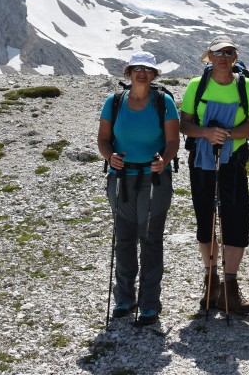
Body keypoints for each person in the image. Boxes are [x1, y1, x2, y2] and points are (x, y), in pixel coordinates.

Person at [97, 52, 180, 326]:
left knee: (151, 240)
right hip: (121, 177)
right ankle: (124, 298)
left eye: (148, 69)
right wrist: (110, 157)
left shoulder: (163, 101)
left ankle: (149, 303)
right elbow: (103, 140)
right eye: (137, 69)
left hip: (154, 178)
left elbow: (172, 142)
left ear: (154, 75)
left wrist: (164, 161)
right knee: (124, 238)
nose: (142, 73)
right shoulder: (114, 101)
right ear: (129, 72)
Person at [180, 35, 249, 315]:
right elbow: (185, 123)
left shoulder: (245, 86)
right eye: (218, 52)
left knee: (236, 218)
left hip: (233, 161)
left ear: (235, 58)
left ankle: (229, 286)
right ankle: (211, 279)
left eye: (229, 52)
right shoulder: (196, 85)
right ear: (209, 57)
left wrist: (226, 136)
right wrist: (205, 133)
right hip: (202, 160)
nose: (224, 57)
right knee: (206, 218)